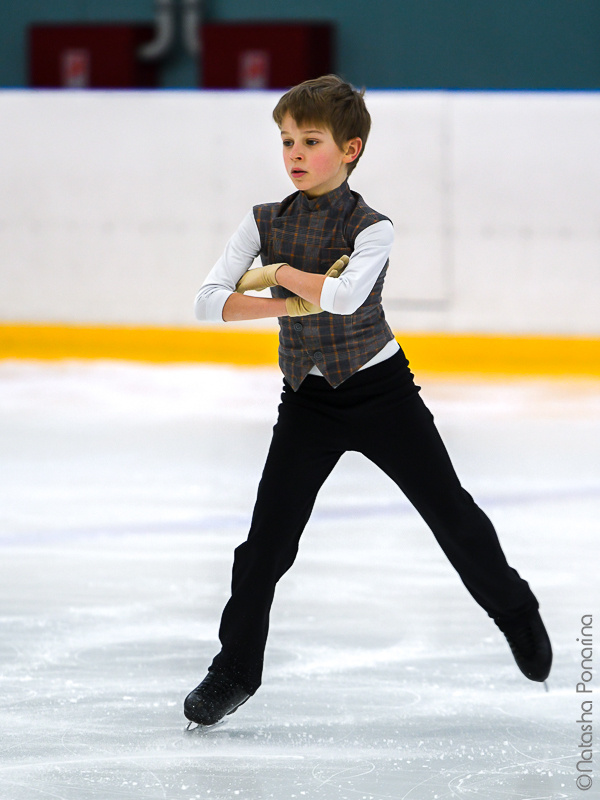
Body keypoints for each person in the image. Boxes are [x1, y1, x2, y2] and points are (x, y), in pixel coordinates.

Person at [185, 75, 552, 727]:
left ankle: (515, 610)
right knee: (264, 546)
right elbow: (208, 301)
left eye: (311, 140)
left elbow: (347, 298)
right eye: (287, 140)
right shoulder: (261, 220)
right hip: (306, 399)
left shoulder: (372, 228)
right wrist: (296, 286)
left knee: (452, 515)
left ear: (350, 149)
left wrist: (272, 275)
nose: (294, 153)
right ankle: (234, 671)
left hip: (381, 394)